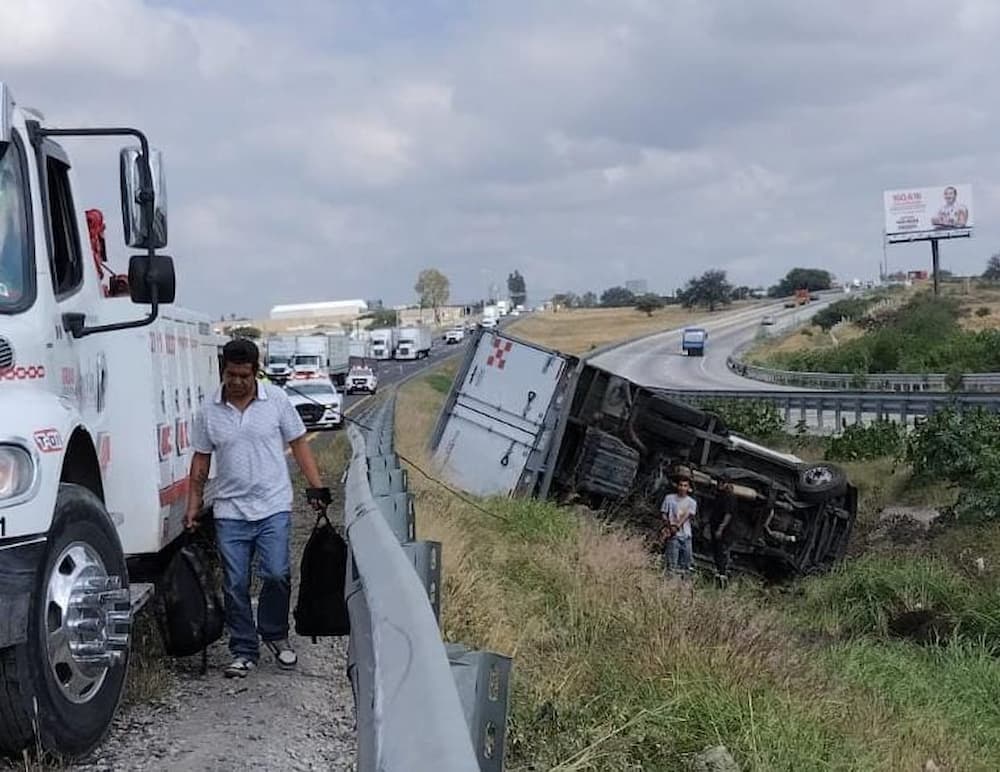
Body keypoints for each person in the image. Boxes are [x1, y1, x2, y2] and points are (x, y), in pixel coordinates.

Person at [185, 338, 329, 679]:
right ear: (223, 371)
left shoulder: (277, 401)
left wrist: (316, 486)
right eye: (230, 375)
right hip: (230, 511)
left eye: (243, 376)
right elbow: (201, 461)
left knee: (277, 574)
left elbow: (299, 444)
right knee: (235, 583)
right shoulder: (209, 411)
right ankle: (243, 649)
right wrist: (194, 504)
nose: (236, 382)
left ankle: (275, 634)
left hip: (273, 506)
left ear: (256, 372)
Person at [661, 465, 697, 577]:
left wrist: (675, 526)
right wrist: (668, 525)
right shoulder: (669, 498)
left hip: (685, 535)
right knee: (671, 564)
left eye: (685, 486)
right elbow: (663, 513)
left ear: (688, 488)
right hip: (673, 536)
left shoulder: (691, 502)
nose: (682, 488)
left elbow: (687, 516)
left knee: (685, 565)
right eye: (680, 485)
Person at [710, 478, 738, 586]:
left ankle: (722, 575)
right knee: (717, 551)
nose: (719, 485)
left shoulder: (730, 497)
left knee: (721, 552)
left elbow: (728, 515)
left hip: (724, 531)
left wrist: (720, 529)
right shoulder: (721, 495)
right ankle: (719, 574)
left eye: (721, 483)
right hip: (717, 527)